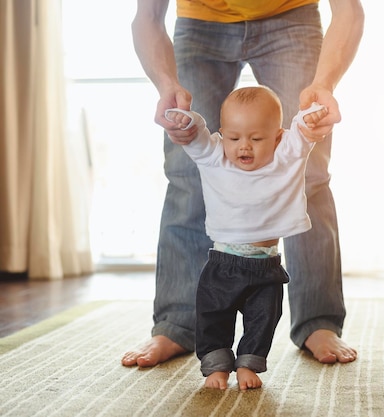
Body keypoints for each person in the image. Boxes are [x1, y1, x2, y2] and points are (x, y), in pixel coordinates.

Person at [122, 0, 364, 369]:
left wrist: (323, 84)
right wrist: (167, 85)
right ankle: (175, 323)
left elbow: (348, 10)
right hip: (200, 21)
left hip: (292, 17)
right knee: (186, 171)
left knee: (309, 171)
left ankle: (318, 321)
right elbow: (148, 16)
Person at [165, 85, 329, 390]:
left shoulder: (285, 157)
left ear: (277, 138)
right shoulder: (215, 157)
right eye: (234, 137)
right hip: (223, 263)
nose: (244, 147)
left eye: (256, 139)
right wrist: (184, 120)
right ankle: (216, 367)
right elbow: (197, 136)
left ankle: (248, 364)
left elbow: (302, 132)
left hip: (266, 266)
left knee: (263, 319)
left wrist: (310, 116)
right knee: (213, 315)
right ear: (222, 134)